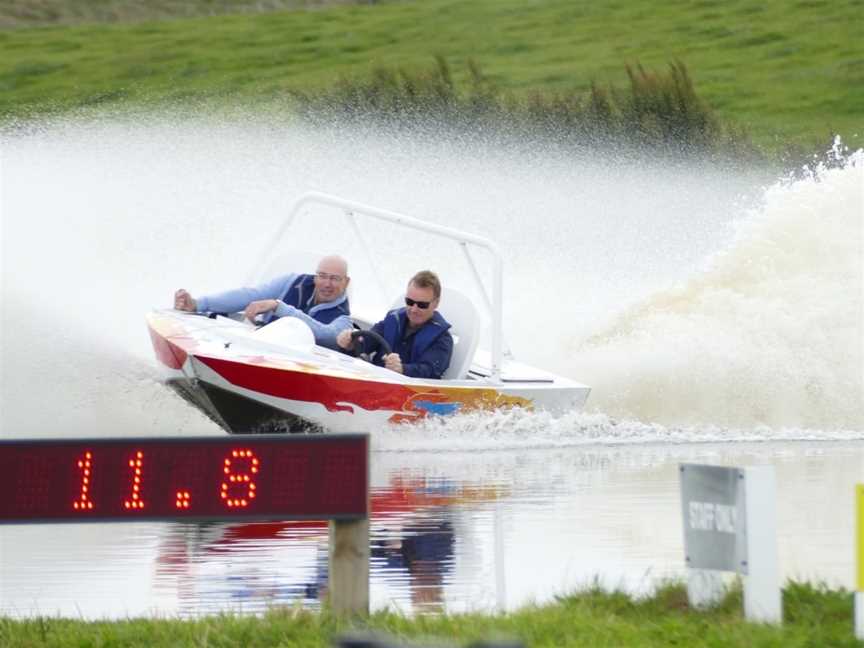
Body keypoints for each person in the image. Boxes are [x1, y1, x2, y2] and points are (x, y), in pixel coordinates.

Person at [173, 255, 351, 350]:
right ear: (316, 275)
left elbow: (327, 335)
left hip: (296, 367)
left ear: (346, 282)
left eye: (335, 279)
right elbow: (250, 295)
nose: (327, 284)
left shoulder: (344, 320)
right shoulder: (292, 282)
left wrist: (278, 307)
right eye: (322, 276)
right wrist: (198, 304)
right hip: (258, 349)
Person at [337, 270, 453, 379]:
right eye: (410, 302)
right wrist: (351, 344)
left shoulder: (442, 339)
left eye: (422, 305)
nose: (414, 309)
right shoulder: (393, 320)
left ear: (436, 303)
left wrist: (403, 369)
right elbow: (368, 340)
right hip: (374, 381)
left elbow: (430, 370)